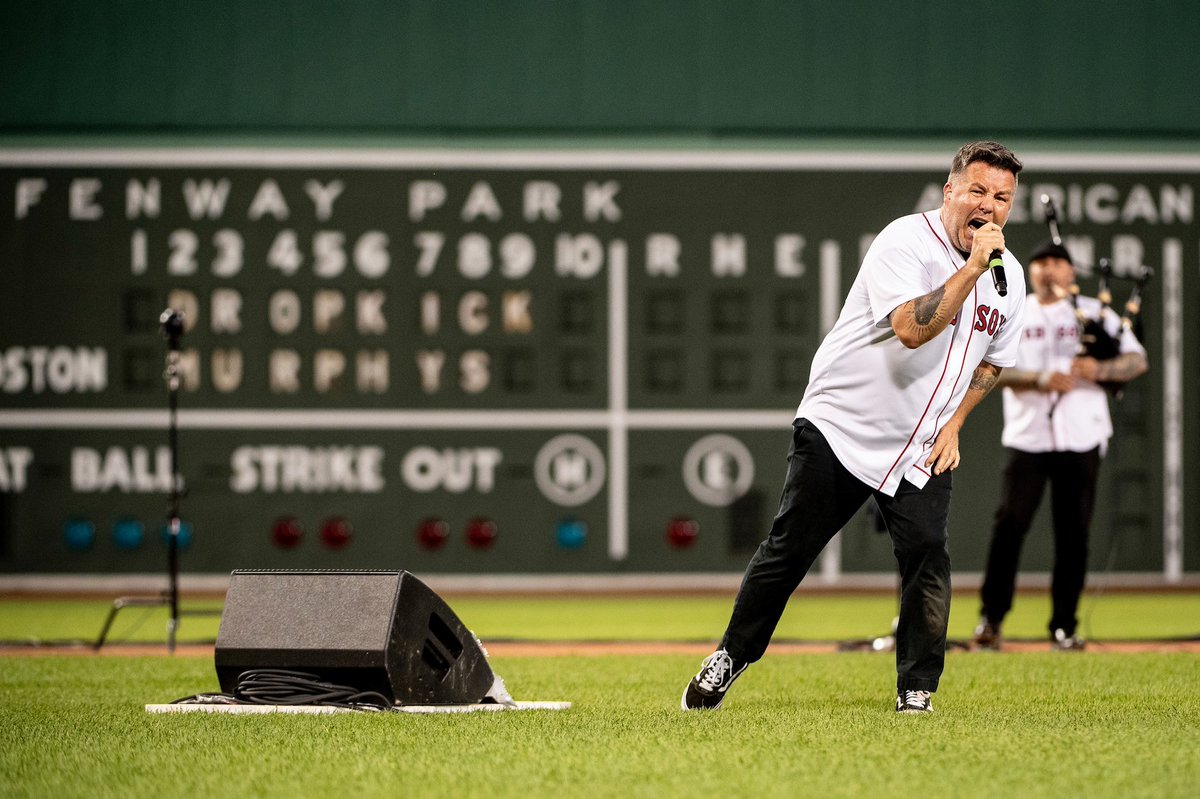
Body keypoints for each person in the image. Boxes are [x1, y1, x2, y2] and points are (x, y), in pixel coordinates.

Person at [681, 140, 1027, 715]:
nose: (989, 206)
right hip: (843, 425)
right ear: (949, 191)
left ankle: (917, 688)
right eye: (977, 191)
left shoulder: (1010, 276)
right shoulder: (905, 241)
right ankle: (731, 656)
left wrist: (956, 423)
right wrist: (971, 269)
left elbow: (993, 362)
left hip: (921, 444)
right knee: (789, 550)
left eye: (1002, 197)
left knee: (927, 555)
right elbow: (911, 330)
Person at [972, 241, 1148, 652]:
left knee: (1073, 532)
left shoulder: (1094, 312)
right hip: (1029, 435)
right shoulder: (1013, 309)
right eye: (1040, 263)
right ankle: (991, 619)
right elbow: (986, 369)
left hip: (1082, 434)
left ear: (1072, 272)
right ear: (1030, 272)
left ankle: (1064, 626)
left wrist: (1099, 368)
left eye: (1057, 263)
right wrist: (1037, 378)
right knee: (1009, 526)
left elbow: (1136, 360)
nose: (1048, 270)